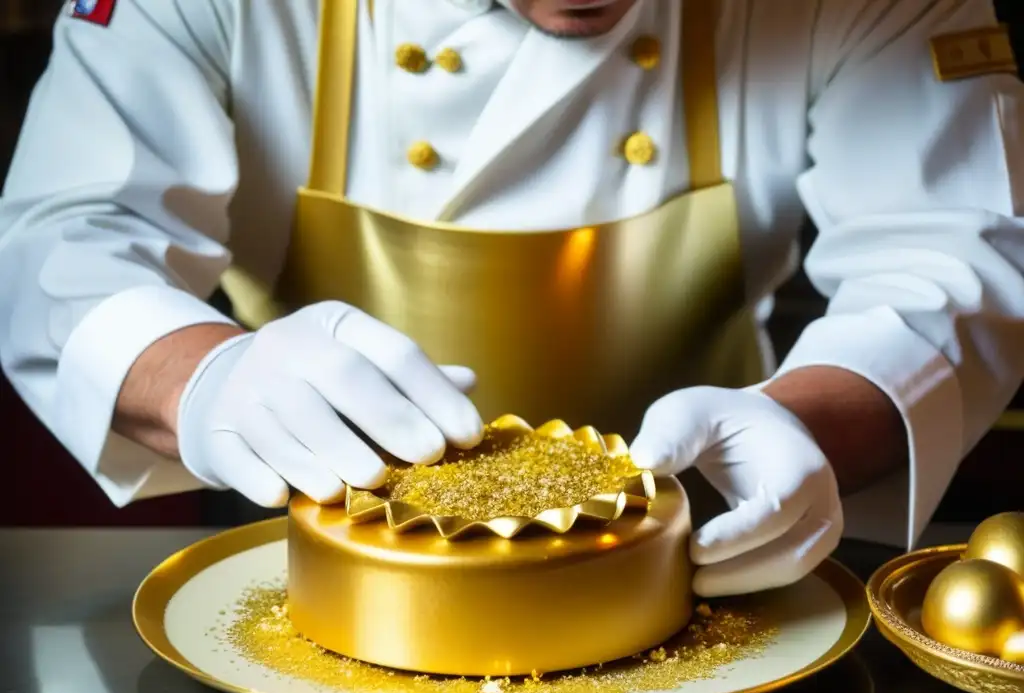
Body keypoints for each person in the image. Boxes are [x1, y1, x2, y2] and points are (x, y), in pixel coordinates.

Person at [1, 0, 1022, 597]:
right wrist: (207, 379)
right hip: (307, 559)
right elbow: (68, 238)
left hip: (713, 560)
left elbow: (952, 259)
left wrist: (805, 428)